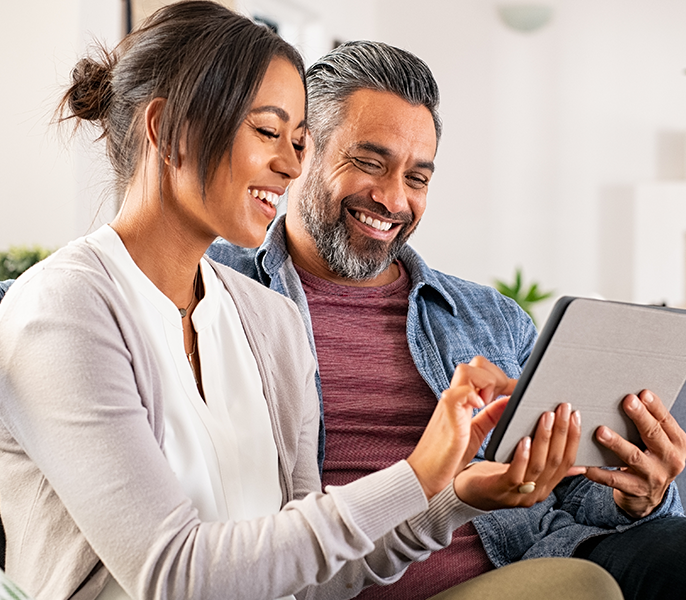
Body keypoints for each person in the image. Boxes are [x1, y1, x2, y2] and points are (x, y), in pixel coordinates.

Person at [0, 4, 623, 599]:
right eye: (269, 131)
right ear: (167, 130)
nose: (291, 165)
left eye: (299, 140)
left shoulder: (267, 320)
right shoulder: (62, 311)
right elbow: (172, 574)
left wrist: (453, 494)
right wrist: (416, 473)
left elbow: (313, 579)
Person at [207, 41, 686, 600]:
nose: (394, 200)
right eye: (369, 163)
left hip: (542, 561)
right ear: (300, 150)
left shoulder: (486, 316)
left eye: (417, 177)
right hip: (357, 582)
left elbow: (578, 491)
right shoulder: (217, 293)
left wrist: (641, 494)